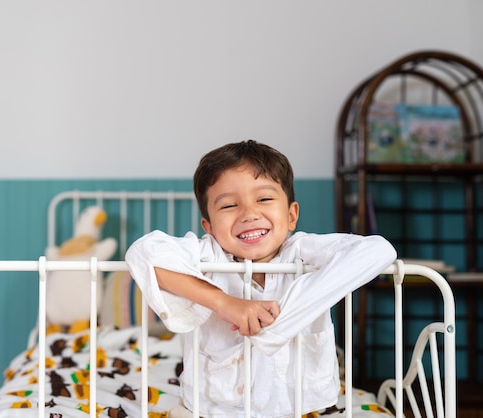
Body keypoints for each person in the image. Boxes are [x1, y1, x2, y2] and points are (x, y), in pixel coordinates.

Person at [125, 140, 396, 417]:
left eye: (264, 199)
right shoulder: (207, 255)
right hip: (215, 407)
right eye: (229, 205)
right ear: (209, 227)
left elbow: (379, 250)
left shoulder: (302, 251)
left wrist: (284, 321)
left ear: (291, 216)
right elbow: (142, 253)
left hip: (302, 405)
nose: (249, 214)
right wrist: (224, 303)